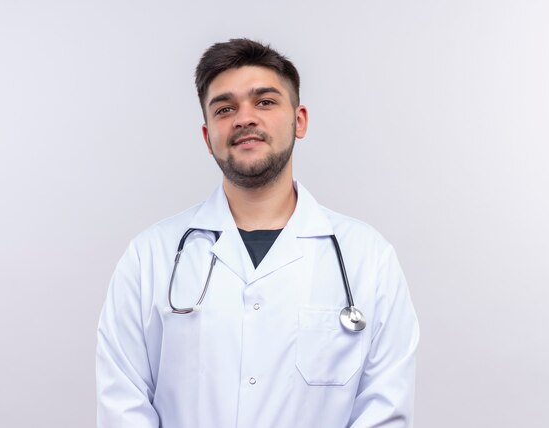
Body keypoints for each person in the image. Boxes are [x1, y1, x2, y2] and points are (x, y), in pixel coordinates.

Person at [96, 38, 419, 428]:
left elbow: (383, 411)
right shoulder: (150, 256)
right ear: (207, 136)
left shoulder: (367, 258)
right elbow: (123, 405)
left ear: (299, 120)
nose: (244, 118)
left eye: (264, 102)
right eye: (225, 108)